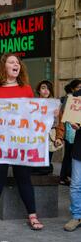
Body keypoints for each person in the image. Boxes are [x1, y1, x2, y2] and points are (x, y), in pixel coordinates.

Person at [0, 53, 44, 231]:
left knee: (24, 179)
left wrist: (49, 114)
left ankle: (33, 216)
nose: (16, 64)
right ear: (3, 66)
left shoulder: (26, 89)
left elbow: (33, 115)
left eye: (18, 62)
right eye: (12, 62)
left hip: (20, 144)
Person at [31, 80, 63, 175]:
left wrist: (59, 137)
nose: (46, 90)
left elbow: (60, 123)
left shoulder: (55, 105)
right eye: (43, 88)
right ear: (38, 90)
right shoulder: (33, 104)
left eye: (48, 89)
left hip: (50, 137)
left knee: (45, 164)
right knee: (34, 165)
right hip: (35, 137)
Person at [63, 87, 81, 231]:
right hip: (79, 149)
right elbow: (70, 114)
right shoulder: (77, 95)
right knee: (75, 185)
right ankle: (77, 216)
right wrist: (71, 121)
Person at [58, 79, 81, 186]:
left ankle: (66, 176)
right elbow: (64, 114)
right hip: (71, 131)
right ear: (73, 89)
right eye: (78, 87)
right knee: (69, 155)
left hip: (74, 132)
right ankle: (64, 176)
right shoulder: (70, 98)